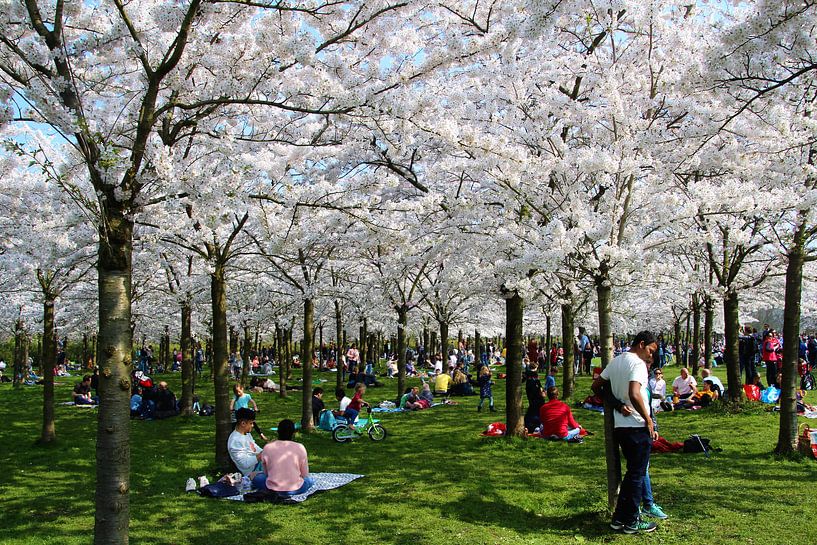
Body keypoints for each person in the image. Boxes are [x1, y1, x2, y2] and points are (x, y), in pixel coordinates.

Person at [592, 330, 659, 534]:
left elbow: (596, 386)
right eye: (650, 350)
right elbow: (634, 392)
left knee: (632, 474)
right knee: (637, 475)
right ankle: (632, 520)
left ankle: (619, 517)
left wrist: (616, 404)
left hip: (621, 427)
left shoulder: (616, 361)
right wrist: (648, 420)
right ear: (641, 344)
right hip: (637, 426)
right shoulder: (637, 364)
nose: (651, 356)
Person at [251, 419, 314, 495]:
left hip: (272, 488)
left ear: (278, 431)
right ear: (293, 432)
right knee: (309, 480)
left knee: (257, 478)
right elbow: (304, 474)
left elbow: (266, 473)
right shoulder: (300, 447)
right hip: (296, 488)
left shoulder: (268, 447)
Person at [228, 408, 264, 477]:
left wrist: (269, 451)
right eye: (251, 423)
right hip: (253, 472)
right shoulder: (235, 441)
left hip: (260, 464)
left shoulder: (246, 434)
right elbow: (244, 463)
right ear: (243, 423)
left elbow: (255, 448)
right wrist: (263, 454)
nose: (253, 425)